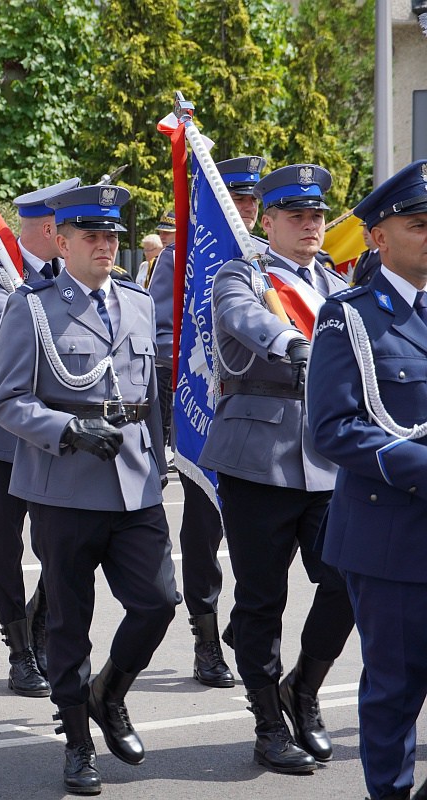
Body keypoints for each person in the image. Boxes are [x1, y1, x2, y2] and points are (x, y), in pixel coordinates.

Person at [0, 184, 178, 795]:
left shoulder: (137, 301)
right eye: (91, 236)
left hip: (134, 481)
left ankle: (109, 693)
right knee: (69, 623)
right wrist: (68, 429)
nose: (104, 245)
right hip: (64, 486)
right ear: (62, 241)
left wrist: (161, 452)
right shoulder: (34, 307)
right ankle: (76, 742)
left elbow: (146, 391)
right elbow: (8, 402)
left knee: (157, 602)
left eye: (111, 236)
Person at [199, 163, 354, 774]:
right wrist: (296, 342)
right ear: (269, 222)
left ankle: (303, 691)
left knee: (347, 579)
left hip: (329, 458)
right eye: (297, 216)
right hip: (258, 459)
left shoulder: (337, 285)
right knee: (262, 600)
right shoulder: (242, 274)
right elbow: (246, 319)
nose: (311, 226)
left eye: (317, 216)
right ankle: (268, 723)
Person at [306, 159, 427, 800]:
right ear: (378, 237)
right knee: (394, 689)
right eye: (420, 224)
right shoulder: (349, 317)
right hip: (390, 537)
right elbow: (331, 430)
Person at [149, 155, 269, 692]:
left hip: (266, 421)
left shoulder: (271, 265)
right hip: (207, 408)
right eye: (234, 201)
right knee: (203, 531)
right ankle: (206, 639)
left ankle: (247, 626)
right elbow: (163, 333)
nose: (243, 210)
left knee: (262, 532)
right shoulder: (183, 259)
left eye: (250, 202)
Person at [0, 178, 81, 699]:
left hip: (59, 433)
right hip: (4, 433)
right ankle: (17, 649)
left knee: (63, 545)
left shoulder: (69, 276)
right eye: (65, 227)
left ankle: (39, 624)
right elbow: (0, 330)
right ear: (51, 228)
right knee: (7, 547)